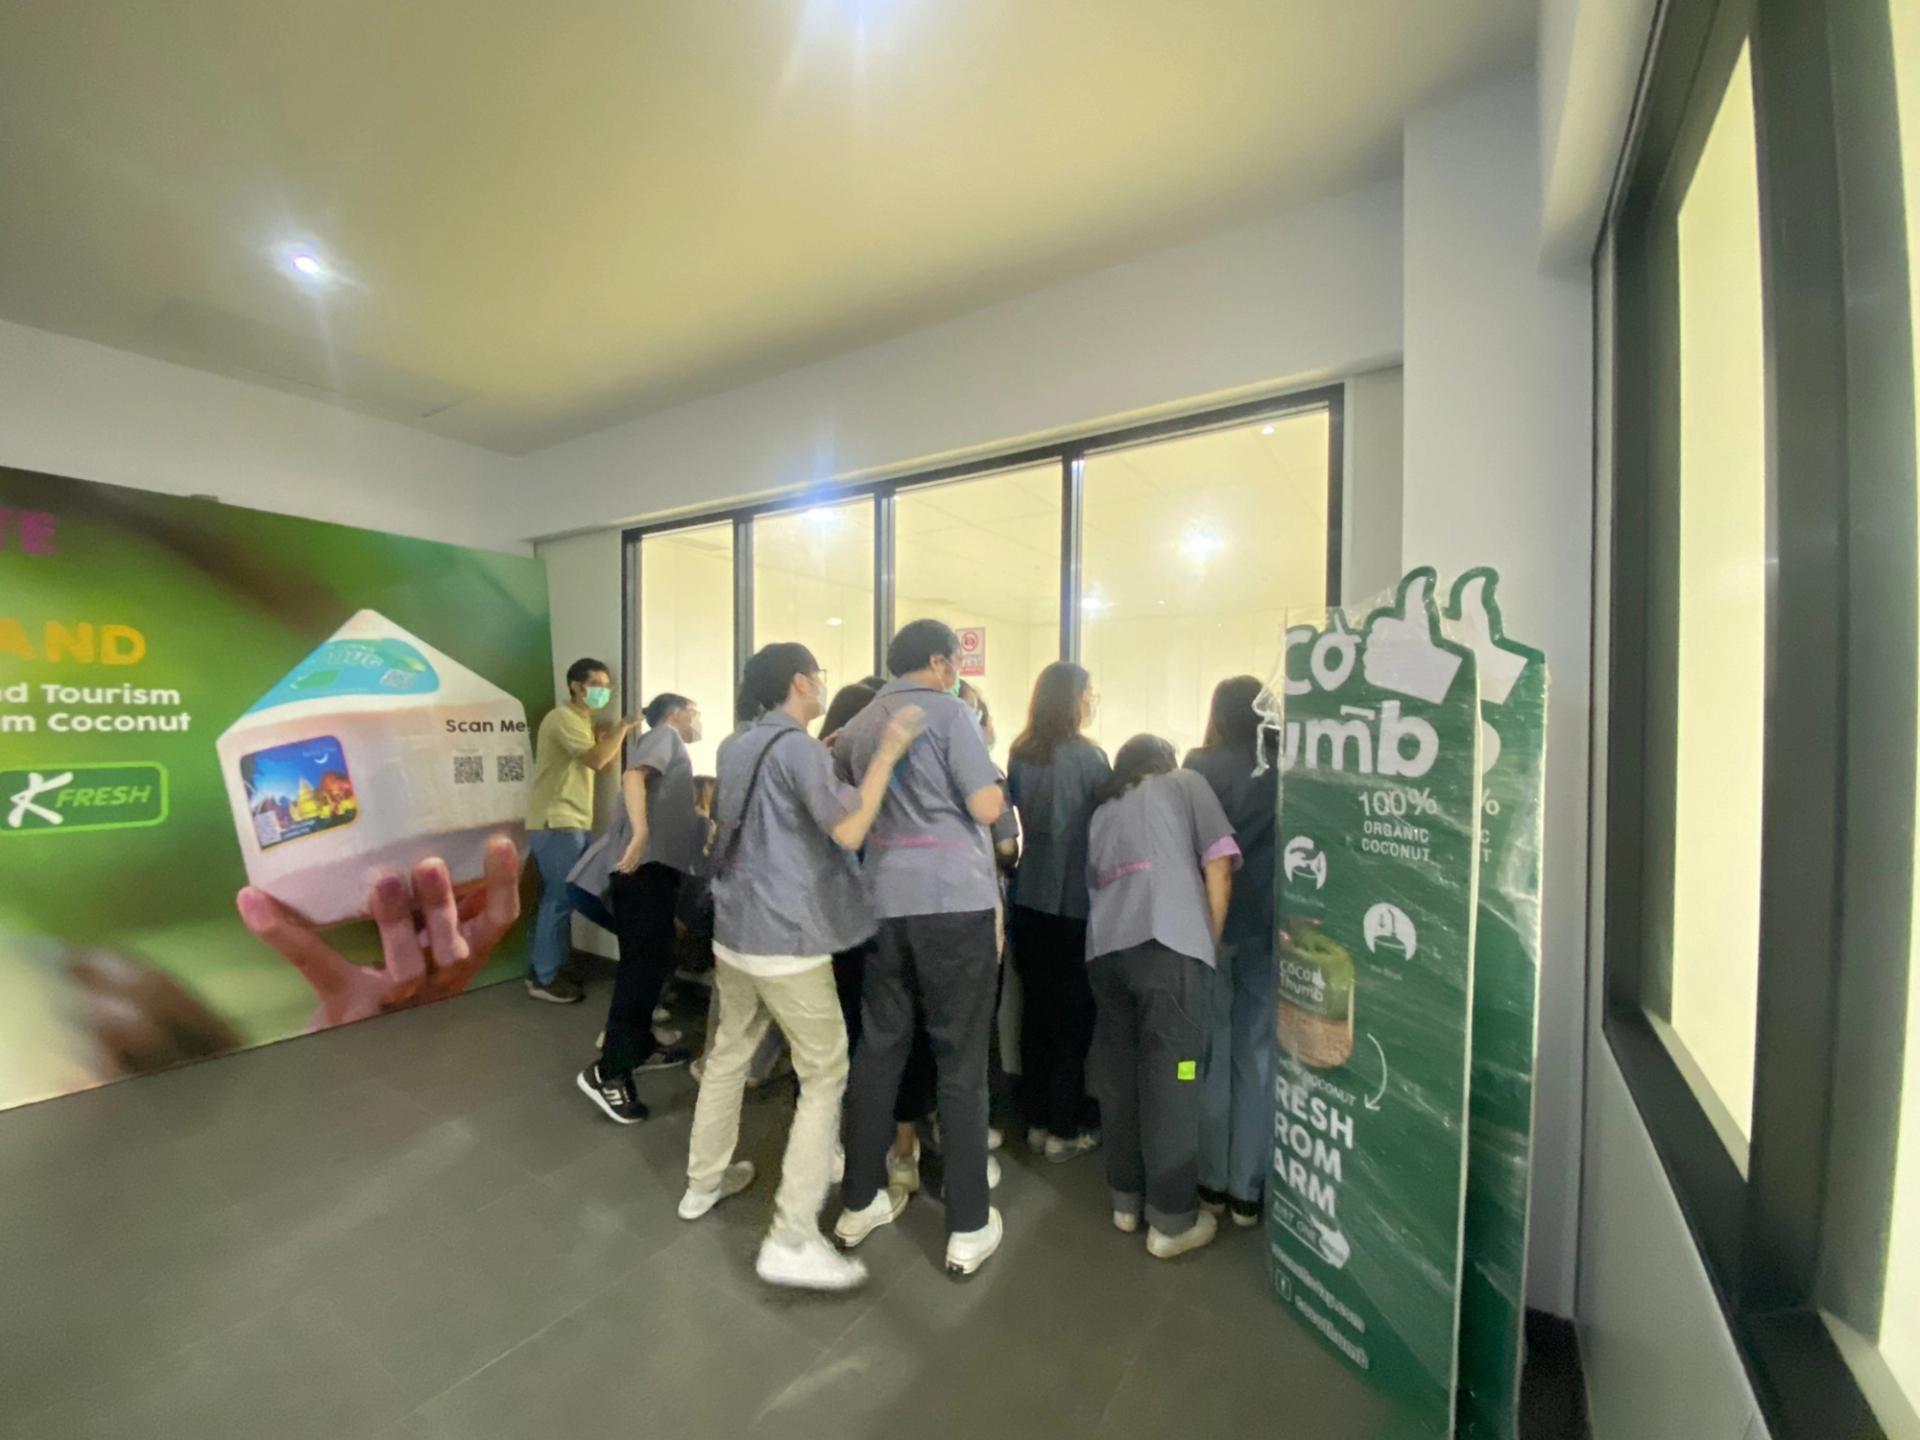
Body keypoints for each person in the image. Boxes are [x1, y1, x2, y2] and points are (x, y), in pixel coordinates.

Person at [678, 643, 923, 1291]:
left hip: (734, 933)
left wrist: (822, 750)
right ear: (799, 682)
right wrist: (888, 755)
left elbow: (775, 803)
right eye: (819, 676)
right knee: (825, 1073)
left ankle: (703, 1182)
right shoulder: (796, 752)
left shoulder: (740, 745)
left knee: (730, 1054)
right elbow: (848, 829)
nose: (823, 684)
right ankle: (791, 1235)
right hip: (786, 939)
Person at [831, 619, 1009, 1277]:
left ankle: (860, 1202)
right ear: (939, 661)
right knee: (959, 1063)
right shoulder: (951, 714)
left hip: (882, 903)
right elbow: (987, 807)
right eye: (955, 660)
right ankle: (967, 1225)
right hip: (952, 906)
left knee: (879, 1054)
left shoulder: (858, 725)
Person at [1086, 734, 1238, 1260]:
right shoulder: (1185, 784)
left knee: (1122, 1080)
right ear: (1164, 760)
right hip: (1169, 950)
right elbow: (1218, 864)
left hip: (1106, 958)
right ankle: (1172, 1223)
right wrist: (1207, 945)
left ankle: (1126, 1203)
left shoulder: (1104, 810)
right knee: (1176, 1081)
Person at [572, 692, 706, 1122]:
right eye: (695, 712)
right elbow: (633, 777)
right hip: (642, 870)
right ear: (676, 713)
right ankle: (608, 1073)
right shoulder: (664, 736)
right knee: (640, 971)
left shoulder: (676, 751)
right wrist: (642, 832)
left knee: (651, 965)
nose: (697, 720)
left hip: (656, 872)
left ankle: (639, 1046)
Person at [1185, 676, 1280, 1227]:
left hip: (1211, 924)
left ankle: (1210, 1185)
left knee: (1209, 1054)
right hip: (1268, 925)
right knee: (1256, 1057)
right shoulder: (1283, 766)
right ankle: (1248, 1191)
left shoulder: (1199, 765)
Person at [1006, 662, 1111, 1161]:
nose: (1094, 700)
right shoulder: (1091, 758)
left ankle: (1037, 1117)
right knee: (1072, 1018)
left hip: (1028, 897)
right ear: (1073, 699)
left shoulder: (1021, 753)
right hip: (1076, 903)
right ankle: (1065, 1129)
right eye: (1090, 692)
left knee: (1036, 1015)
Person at [525, 658, 632, 1003]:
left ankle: (549, 966)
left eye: (607, 685)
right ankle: (543, 977)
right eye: (597, 684)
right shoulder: (562, 718)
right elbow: (597, 761)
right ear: (575, 686)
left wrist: (607, 736)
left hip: (572, 822)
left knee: (567, 897)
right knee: (560, 898)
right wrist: (623, 727)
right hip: (556, 822)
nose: (604, 691)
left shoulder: (582, 722)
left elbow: (603, 760)